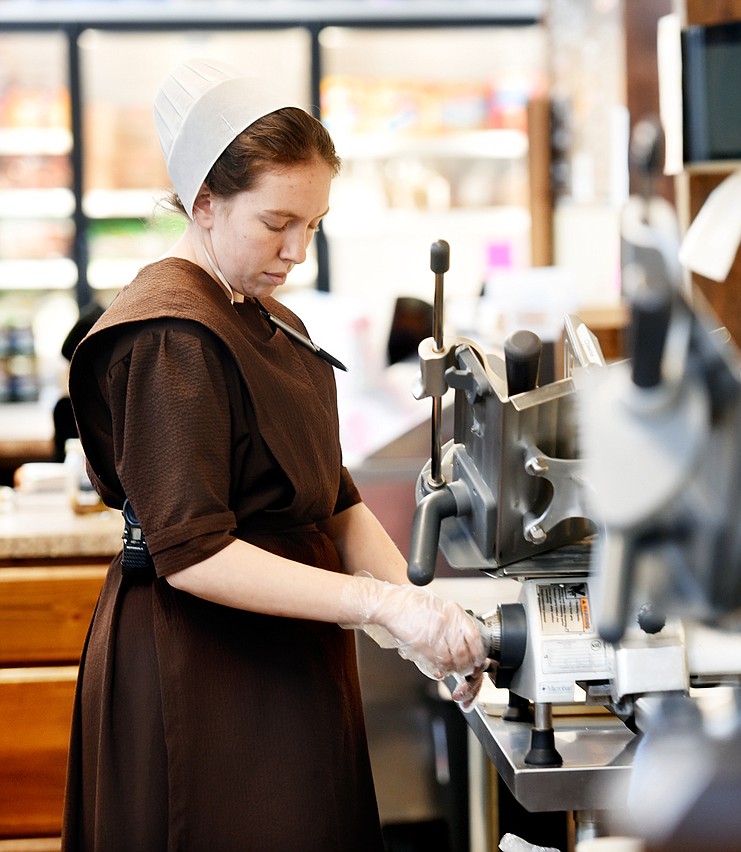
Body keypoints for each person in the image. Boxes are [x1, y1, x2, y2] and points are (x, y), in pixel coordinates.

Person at [61, 58, 487, 852]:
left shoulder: (263, 314)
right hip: (205, 674)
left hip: (288, 660)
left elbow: (336, 499)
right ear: (206, 202)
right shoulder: (170, 334)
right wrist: (379, 608)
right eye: (277, 222)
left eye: (314, 225)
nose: (298, 249)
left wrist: (418, 620)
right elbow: (192, 553)